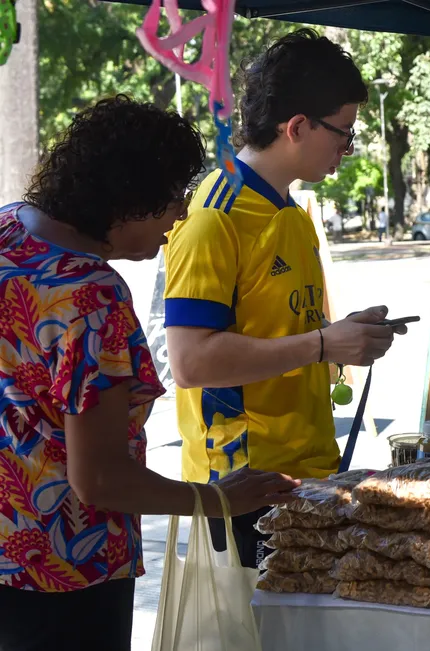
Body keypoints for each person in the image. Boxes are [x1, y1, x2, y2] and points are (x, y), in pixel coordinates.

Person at [0, 96, 299, 651]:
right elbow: (101, 480)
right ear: (129, 198)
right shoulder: (91, 297)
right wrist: (217, 499)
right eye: (173, 199)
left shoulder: (9, 229)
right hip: (64, 573)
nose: (180, 216)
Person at [164, 29, 404, 569]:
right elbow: (190, 361)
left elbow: (282, 332)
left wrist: (339, 338)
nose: (347, 149)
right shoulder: (215, 215)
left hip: (304, 475)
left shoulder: (292, 212)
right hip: (241, 487)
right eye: (344, 135)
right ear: (297, 127)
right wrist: (322, 345)